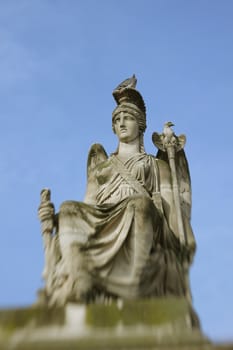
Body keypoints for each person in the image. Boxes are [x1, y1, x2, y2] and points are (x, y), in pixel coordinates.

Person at [38, 79, 196, 306]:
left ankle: (132, 283)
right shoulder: (101, 168)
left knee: (139, 204)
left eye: (128, 118)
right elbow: (89, 203)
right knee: (68, 208)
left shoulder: (156, 165)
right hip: (103, 215)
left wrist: (183, 238)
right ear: (112, 127)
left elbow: (171, 205)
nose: (122, 124)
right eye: (117, 120)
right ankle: (80, 276)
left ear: (140, 125)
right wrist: (55, 219)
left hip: (140, 215)